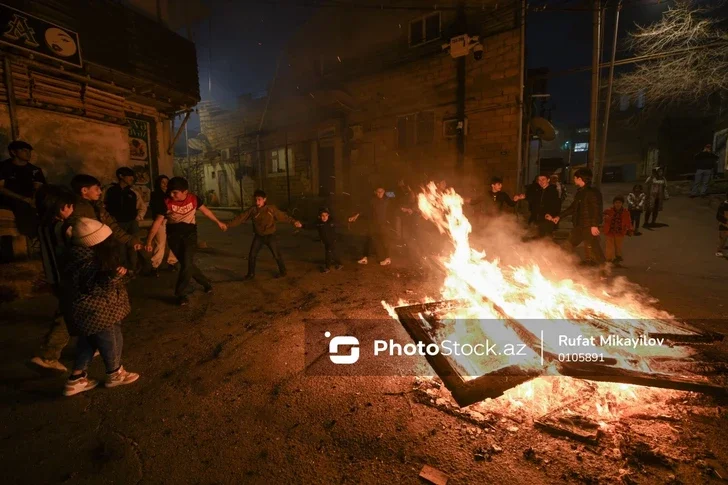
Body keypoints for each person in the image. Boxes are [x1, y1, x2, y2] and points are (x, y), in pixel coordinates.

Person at [61, 217, 139, 396]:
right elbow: (94, 286)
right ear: (95, 242)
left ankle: (76, 379)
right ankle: (114, 373)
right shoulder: (86, 261)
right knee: (111, 338)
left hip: (87, 311)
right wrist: (113, 276)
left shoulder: (79, 256)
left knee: (89, 341)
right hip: (98, 310)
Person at [145, 177, 227, 305]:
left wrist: (218, 222)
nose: (172, 195)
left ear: (185, 192)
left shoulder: (194, 199)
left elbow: (205, 211)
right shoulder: (166, 202)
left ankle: (180, 293)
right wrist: (149, 241)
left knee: (187, 263)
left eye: (175, 192)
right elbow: (157, 222)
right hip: (173, 236)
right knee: (186, 264)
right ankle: (206, 284)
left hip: (190, 234)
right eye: (170, 192)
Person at [28, 185, 76, 372]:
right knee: (66, 315)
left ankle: (91, 344)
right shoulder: (63, 227)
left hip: (54, 278)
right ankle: (48, 356)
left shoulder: (43, 226)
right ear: (59, 207)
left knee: (75, 312)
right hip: (68, 278)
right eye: (68, 206)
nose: (70, 209)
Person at [226, 189, 301, 279]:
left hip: (270, 236)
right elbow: (240, 218)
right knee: (252, 255)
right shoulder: (253, 210)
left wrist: (293, 221)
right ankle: (251, 274)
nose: (257, 202)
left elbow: (283, 216)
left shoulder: (271, 209)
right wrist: (228, 225)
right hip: (259, 237)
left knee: (276, 255)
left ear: (264, 199)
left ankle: (283, 271)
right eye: (256, 200)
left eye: (259, 200)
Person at [70, 174, 142, 254]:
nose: (100, 192)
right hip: (90, 252)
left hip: (103, 248)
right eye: (96, 189)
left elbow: (112, 226)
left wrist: (131, 240)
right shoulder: (75, 209)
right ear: (84, 190)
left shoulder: (98, 206)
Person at [550, 168, 605, 266]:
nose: (574, 180)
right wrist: (559, 216)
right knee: (567, 245)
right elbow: (573, 207)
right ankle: (557, 266)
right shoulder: (580, 192)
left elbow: (597, 210)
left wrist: (594, 225)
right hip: (579, 226)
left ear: (580, 179)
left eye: (575, 178)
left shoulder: (592, 192)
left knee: (595, 249)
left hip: (588, 227)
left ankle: (604, 271)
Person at [104, 167, 146, 272]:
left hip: (131, 223)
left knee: (134, 246)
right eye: (129, 176)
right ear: (121, 176)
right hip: (117, 223)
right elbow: (102, 205)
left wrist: (137, 218)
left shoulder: (133, 192)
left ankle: (132, 268)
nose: (132, 178)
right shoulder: (109, 190)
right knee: (120, 247)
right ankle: (123, 269)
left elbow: (142, 206)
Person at [0, 140, 45, 237]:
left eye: (29, 151)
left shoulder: (35, 170)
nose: (28, 153)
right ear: (13, 152)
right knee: (21, 206)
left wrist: (33, 199)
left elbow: (38, 188)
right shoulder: (3, 167)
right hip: (10, 199)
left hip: (29, 199)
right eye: (24, 151)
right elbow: (1, 188)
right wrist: (23, 199)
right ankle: (28, 236)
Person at [349, 186, 395, 266]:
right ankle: (365, 258)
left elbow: (394, 194)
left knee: (383, 242)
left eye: (381, 191)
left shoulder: (387, 199)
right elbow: (364, 209)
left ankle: (387, 258)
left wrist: (385, 192)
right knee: (369, 240)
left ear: (384, 192)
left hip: (383, 225)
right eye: (378, 192)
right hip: (374, 224)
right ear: (375, 192)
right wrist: (356, 216)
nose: (380, 193)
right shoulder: (373, 201)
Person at [148, 175, 178, 277]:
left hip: (173, 221)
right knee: (160, 243)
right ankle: (155, 266)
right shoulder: (155, 195)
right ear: (158, 184)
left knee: (174, 242)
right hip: (161, 221)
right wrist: (166, 213)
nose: (165, 185)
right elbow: (157, 209)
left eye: (166, 182)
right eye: (162, 183)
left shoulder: (172, 194)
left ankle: (172, 262)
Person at [305, 207, 343, 273]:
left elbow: (341, 222)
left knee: (328, 253)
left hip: (332, 240)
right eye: (322, 216)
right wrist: (302, 225)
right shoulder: (319, 223)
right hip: (325, 241)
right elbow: (310, 226)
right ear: (319, 216)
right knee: (333, 252)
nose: (324, 217)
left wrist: (348, 220)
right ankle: (339, 263)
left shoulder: (331, 222)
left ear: (328, 215)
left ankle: (327, 267)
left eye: (326, 215)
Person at [603, 195, 632, 265]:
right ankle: (608, 260)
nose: (617, 204)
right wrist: (605, 217)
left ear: (622, 204)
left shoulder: (625, 212)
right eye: (616, 202)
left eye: (619, 203)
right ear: (613, 203)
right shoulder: (608, 211)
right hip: (610, 232)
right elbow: (603, 216)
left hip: (619, 232)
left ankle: (617, 260)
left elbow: (628, 221)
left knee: (618, 247)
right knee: (609, 247)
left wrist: (630, 229)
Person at [716, 192, 728, 257]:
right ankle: (719, 251)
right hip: (724, 223)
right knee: (723, 238)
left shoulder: (724, 204)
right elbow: (723, 216)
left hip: (724, 223)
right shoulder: (724, 205)